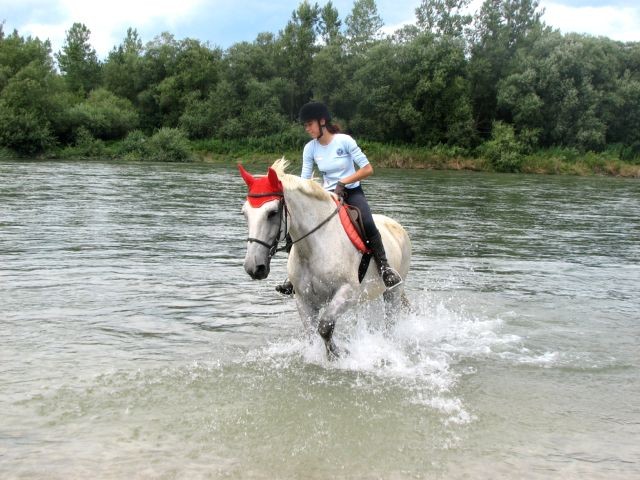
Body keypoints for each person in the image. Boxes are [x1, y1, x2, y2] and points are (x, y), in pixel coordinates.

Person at [276, 101, 402, 295]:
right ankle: (294, 278)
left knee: (368, 222)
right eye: (305, 125)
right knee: (297, 225)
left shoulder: (344, 141)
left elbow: (368, 169)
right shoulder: (310, 148)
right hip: (325, 196)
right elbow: (305, 179)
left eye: (310, 124)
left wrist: (343, 182)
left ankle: (385, 267)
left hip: (351, 192)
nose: (307, 128)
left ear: (322, 121)